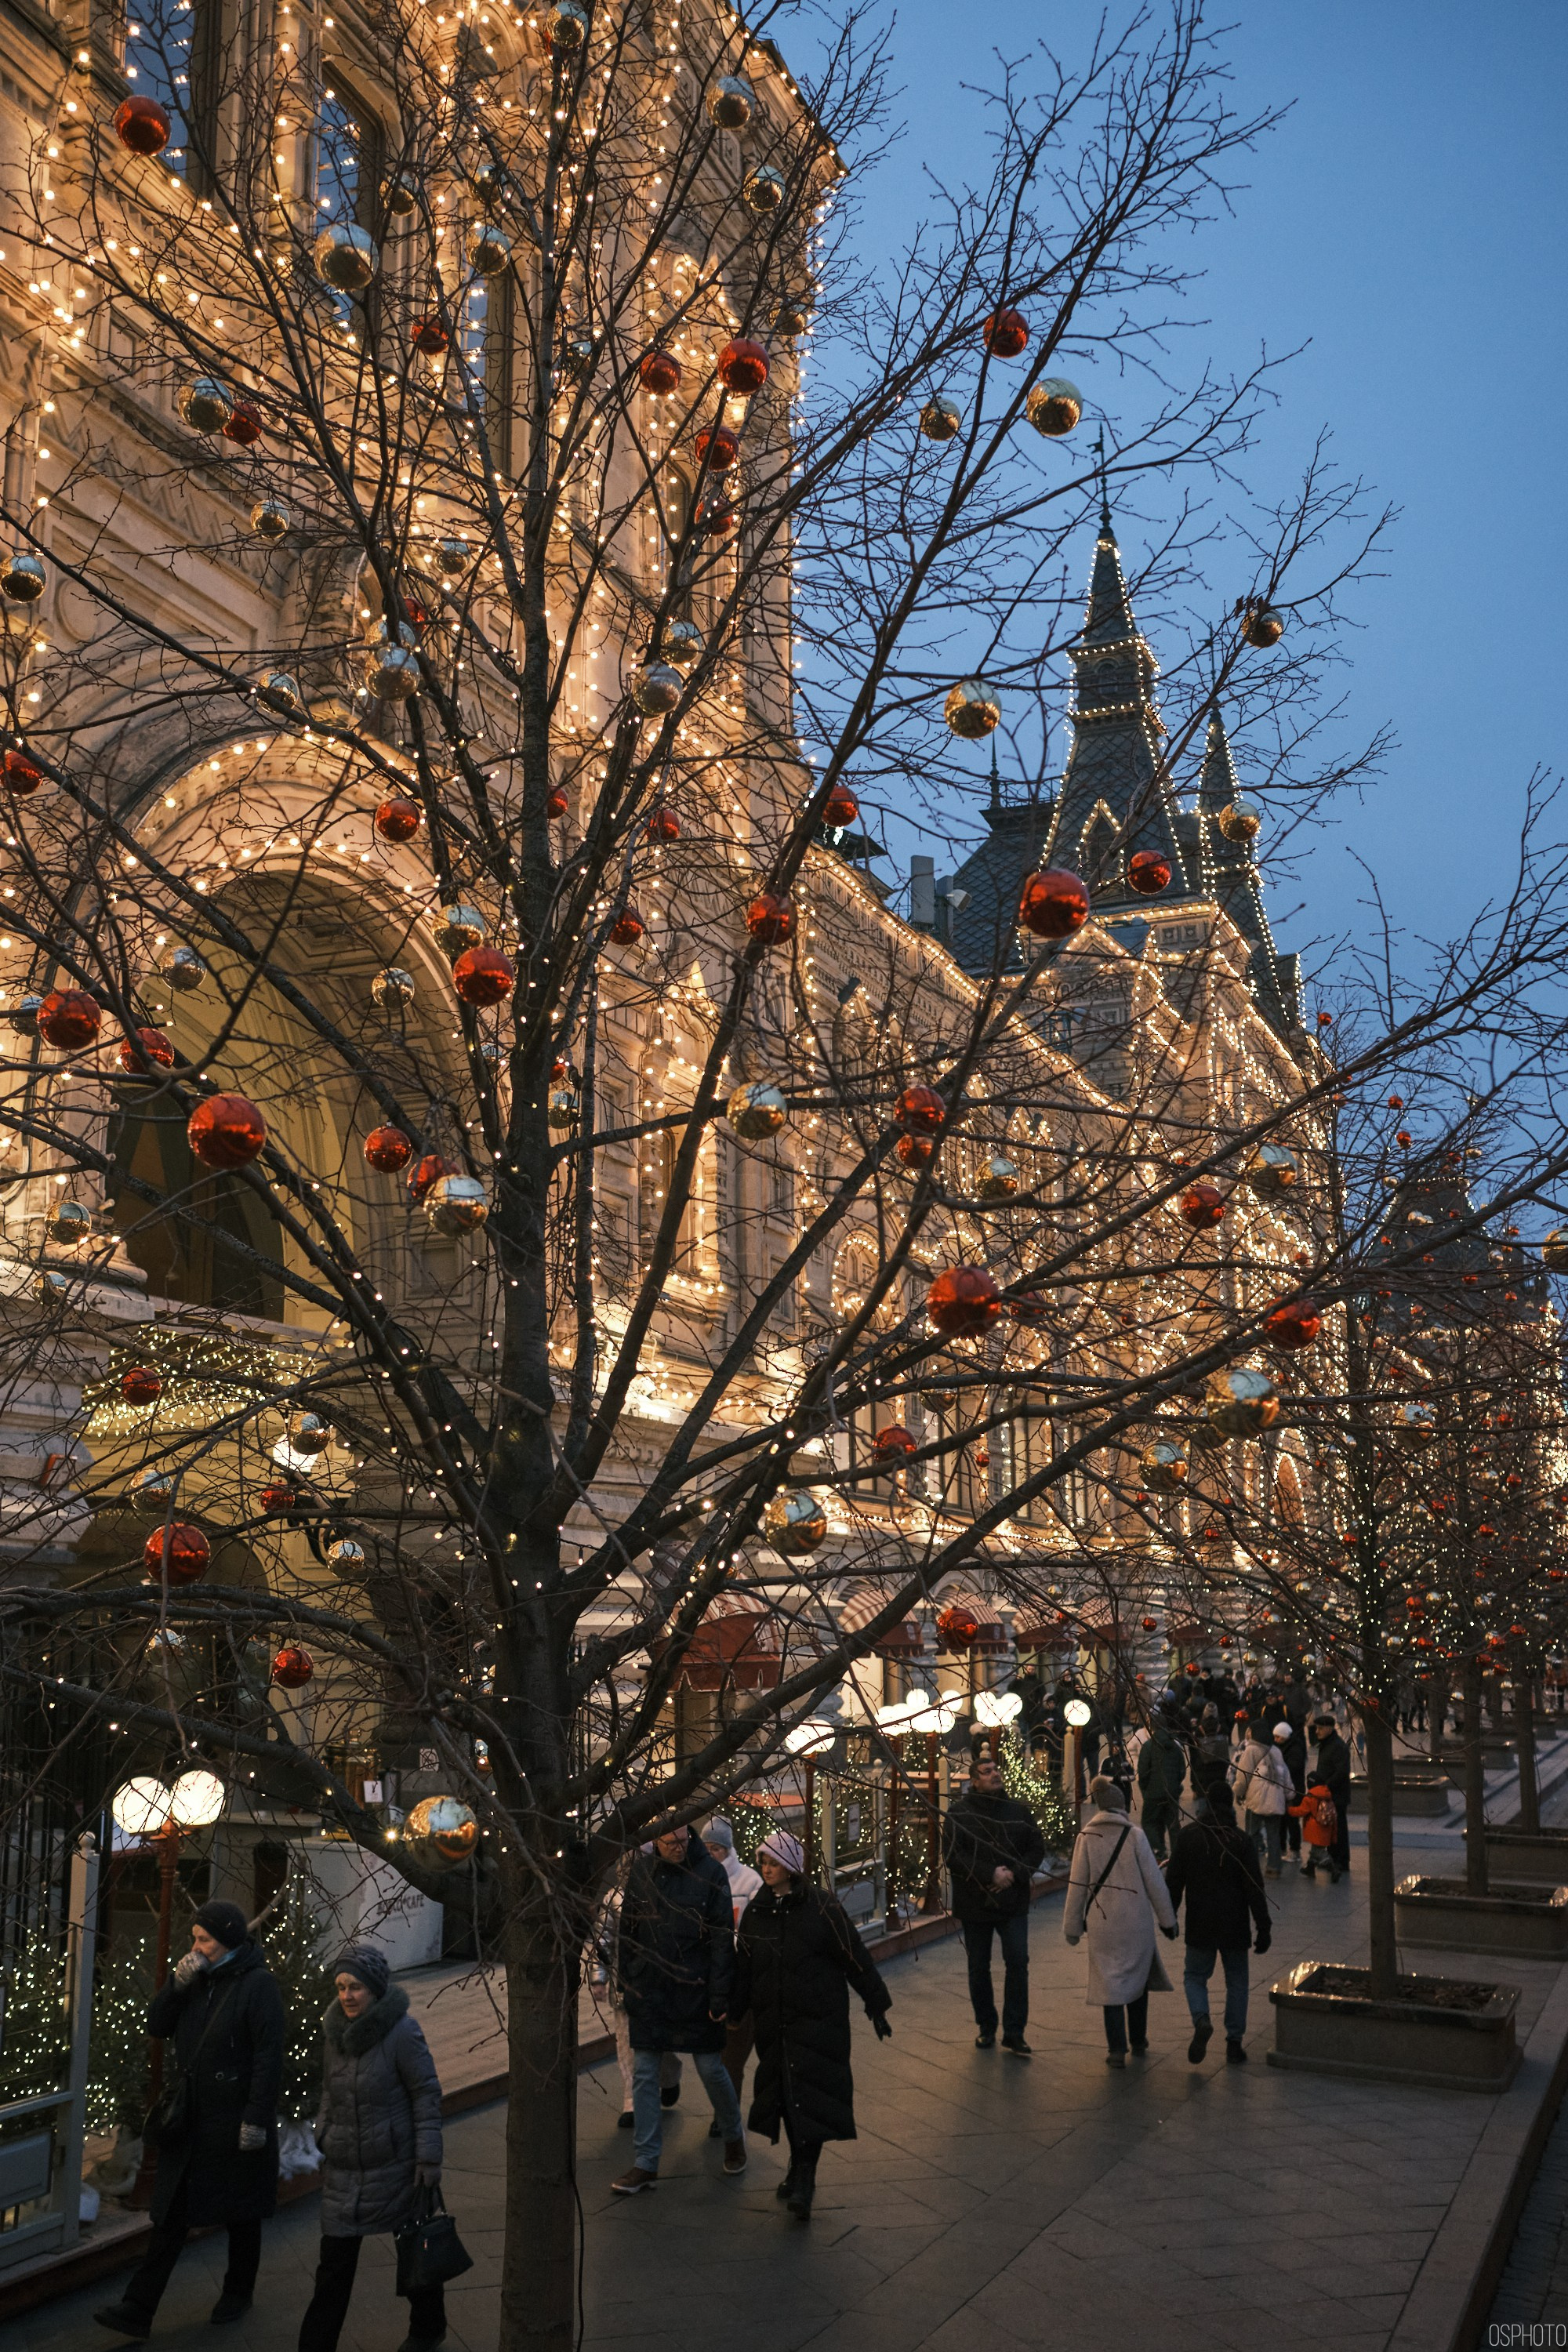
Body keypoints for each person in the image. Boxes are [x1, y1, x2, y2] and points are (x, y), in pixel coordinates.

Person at [95, 1901, 285, 2340]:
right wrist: (176, 1987)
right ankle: (137, 2308)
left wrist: (255, 2119)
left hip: (233, 2116)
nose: (196, 1947)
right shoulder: (195, 1979)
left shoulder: (258, 1986)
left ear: (230, 1942)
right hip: (192, 2116)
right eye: (194, 1938)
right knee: (171, 2215)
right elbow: (158, 2025)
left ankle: (238, 2292)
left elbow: (268, 2056)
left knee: (242, 2211)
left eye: (205, 1940)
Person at [734, 1831, 891, 2220]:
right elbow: (744, 1966)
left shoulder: (822, 1908)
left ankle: (806, 2176)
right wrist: (732, 2009)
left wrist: (876, 2003)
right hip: (775, 2024)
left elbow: (853, 1955)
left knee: (813, 2097)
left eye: (774, 1863)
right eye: (763, 1862)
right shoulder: (758, 1910)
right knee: (786, 2099)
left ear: (791, 1866)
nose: (767, 1869)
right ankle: (796, 2166)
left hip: (818, 2021)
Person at [297, 1947, 445, 2352]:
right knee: (332, 2272)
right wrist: (324, 2132)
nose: (347, 1995)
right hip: (345, 2170)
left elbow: (425, 2093)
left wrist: (428, 2157)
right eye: (341, 1987)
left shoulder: (402, 2032)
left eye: (356, 1987)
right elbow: (329, 2091)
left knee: (415, 2253)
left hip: (396, 2167)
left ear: (376, 1990)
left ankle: (428, 2328)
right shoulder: (335, 2035)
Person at [611, 1824, 745, 2194]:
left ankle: (733, 2134)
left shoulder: (711, 1873)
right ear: (657, 1841)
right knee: (645, 2073)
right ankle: (645, 2162)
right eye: (669, 1843)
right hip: (651, 1989)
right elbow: (629, 1931)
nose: (677, 1849)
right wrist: (627, 1980)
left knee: (710, 2068)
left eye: (683, 1841)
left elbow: (722, 1939)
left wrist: (720, 1996)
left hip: (695, 1990)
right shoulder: (643, 1872)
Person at [1063, 1774, 1178, 2066]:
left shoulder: (1087, 1837)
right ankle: (1139, 2040)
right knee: (1137, 1981)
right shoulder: (1136, 1836)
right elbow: (1155, 1882)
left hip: (1103, 1925)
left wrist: (1072, 1926)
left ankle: (1116, 2049)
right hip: (1136, 1922)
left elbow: (1078, 1885)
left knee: (1109, 1983)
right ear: (1122, 1806)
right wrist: (1168, 1921)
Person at [940, 1749, 1046, 2056]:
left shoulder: (1018, 1811)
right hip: (975, 1903)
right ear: (974, 1781)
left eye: (995, 1769)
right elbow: (953, 1856)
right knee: (978, 1967)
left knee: (1018, 1964)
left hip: (1012, 1900)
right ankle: (986, 2027)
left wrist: (1013, 1874)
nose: (994, 1774)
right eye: (986, 1771)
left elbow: (1036, 1847)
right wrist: (990, 1874)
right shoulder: (960, 1814)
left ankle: (1015, 2031)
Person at [1163, 1787, 1272, 2065]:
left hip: (1201, 1922)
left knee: (1195, 1976)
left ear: (1205, 1806)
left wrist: (1169, 1918)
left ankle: (1201, 2018)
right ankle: (1234, 2043)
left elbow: (1174, 1882)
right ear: (1230, 1808)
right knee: (1237, 1981)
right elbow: (1254, 1887)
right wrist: (1263, 1926)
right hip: (1235, 1925)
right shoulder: (1241, 1840)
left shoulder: (1188, 1837)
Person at [702, 1818, 762, 2125]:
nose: (711, 1854)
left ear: (728, 1849)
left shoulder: (749, 1882)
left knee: (731, 2059)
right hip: (709, 1980)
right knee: (711, 2061)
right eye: (707, 1848)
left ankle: (726, 2118)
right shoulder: (698, 1878)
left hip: (739, 1982)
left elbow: (752, 1933)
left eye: (717, 1848)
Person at [1230, 1717, 1290, 1877]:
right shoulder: (1276, 1750)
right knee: (1273, 1835)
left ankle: (1250, 1866)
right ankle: (1274, 1867)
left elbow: (1243, 1775)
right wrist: (1290, 1794)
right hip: (1276, 1799)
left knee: (1251, 1834)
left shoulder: (1251, 1750)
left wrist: (1238, 1792)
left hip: (1256, 1799)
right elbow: (1285, 1775)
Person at [1135, 1705, 1187, 1860]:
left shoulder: (1149, 1746)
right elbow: (1182, 1770)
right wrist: (1176, 1785)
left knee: (1150, 1822)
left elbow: (1143, 1771)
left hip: (1154, 1792)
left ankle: (1158, 1849)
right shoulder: (1175, 1746)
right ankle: (1178, 1854)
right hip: (1172, 1792)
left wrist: (1145, 1789)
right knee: (1172, 1824)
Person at [1310, 1713, 1354, 1878]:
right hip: (1328, 1795)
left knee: (1339, 1829)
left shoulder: (1337, 1746)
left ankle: (1341, 1861)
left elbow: (1341, 1771)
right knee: (1332, 1828)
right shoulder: (1327, 1744)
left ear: (1329, 1728)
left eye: (1320, 1728)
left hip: (1337, 1795)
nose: (1317, 1732)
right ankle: (1334, 1858)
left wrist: (1327, 1785)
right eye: (1317, 1728)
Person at [1291, 1770, 1341, 1879]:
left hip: (1316, 1830)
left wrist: (1289, 1810)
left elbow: (1301, 1811)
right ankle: (1310, 1868)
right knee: (1315, 1850)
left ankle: (1333, 1869)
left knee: (1320, 1852)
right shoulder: (1326, 1794)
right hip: (1326, 1829)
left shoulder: (1311, 1797)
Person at [1272, 1717, 1308, 1860]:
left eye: (1278, 1737)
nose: (1276, 1739)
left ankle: (1294, 1849)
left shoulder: (1295, 1748)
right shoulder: (1283, 1747)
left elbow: (1294, 1767)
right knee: (1282, 1821)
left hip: (1293, 1789)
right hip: (1284, 1789)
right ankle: (1281, 1848)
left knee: (1292, 1821)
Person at [1188, 1705, 1232, 1814]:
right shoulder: (1222, 1729)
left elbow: (1193, 1761)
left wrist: (1194, 1786)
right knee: (1223, 1809)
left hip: (1203, 1776)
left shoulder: (1197, 1731)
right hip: (1220, 1775)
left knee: (1203, 1810)